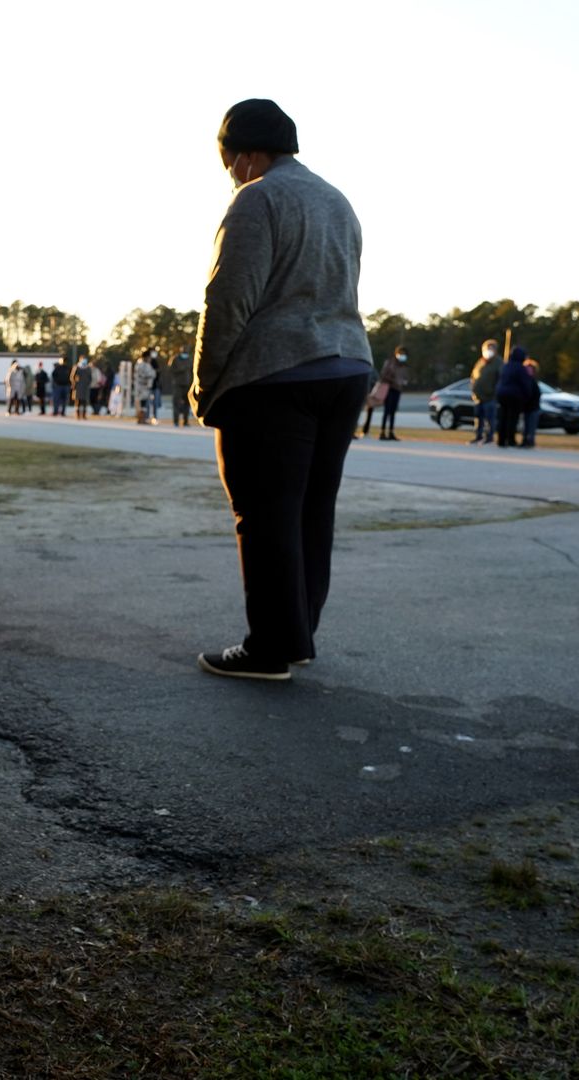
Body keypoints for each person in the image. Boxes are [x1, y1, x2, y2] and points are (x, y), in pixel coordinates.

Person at [191, 99, 373, 681]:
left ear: (243, 155)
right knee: (312, 510)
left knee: (264, 512)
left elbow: (229, 298)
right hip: (344, 367)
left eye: (228, 163)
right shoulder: (336, 200)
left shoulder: (257, 196)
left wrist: (205, 382)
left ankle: (269, 647)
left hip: (277, 374)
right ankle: (296, 636)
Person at [364, 346, 409, 440]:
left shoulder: (404, 366)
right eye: (401, 353)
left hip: (398, 389)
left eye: (404, 354)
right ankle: (382, 432)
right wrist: (394, 380)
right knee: (387, 410)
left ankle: (391, 432)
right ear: (396, 353)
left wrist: (403, 382)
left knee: (393, 411)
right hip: (389, 388)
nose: (402, 356)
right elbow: (383, 375)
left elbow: (405, 377)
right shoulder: (390, 363)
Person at [495, 345, 532, 447]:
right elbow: (525, 384)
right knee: (512, 418)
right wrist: (527, 396)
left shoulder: (506, 366)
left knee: (503, 417)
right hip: (514, 396)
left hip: (501, 394)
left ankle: (501, 440)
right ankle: (511, 440)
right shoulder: (520, 368)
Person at [470, 340, 501, 445]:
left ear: (495, 350)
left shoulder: (498, 363)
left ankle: (489, 437)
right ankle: (478, 436)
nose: (488, 351)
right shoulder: (480, 362)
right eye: (487, 348)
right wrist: (473, 388)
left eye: (491, 348)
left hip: (490, 397)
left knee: (490, 418)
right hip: (478, 396)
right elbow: (473, 376)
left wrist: (494, 392)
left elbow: (500, 379)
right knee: (478, 417)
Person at [520, 357, 543, 448]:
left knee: (531, 426)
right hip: (526, 408)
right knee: (525, 426)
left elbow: (536, 395)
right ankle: (525, 440)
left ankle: (530, 441)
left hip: (533, 408)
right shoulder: (524, 382)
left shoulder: (534, 382)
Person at [169, 349, 196, 426]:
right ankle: (176, 421)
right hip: (177, 384)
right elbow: (171, 370)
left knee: (187, 403)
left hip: (187, 384)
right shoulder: (175, 359)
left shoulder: (190, 359)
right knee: (176, 403)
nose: (185, 354)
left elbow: (192, 370)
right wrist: (181, 369)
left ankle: (186, 421)